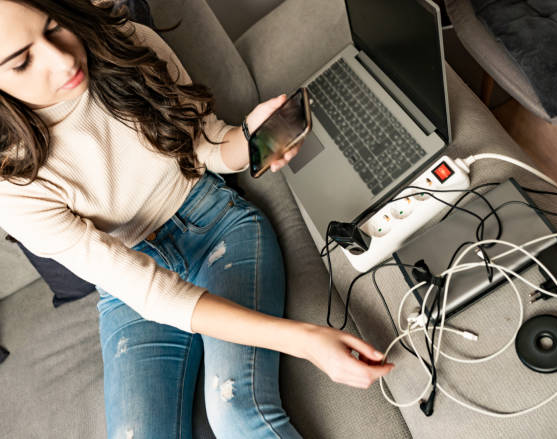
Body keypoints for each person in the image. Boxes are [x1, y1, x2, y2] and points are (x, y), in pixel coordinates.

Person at [0, 0, 394, 437]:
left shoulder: (129, 43)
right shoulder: (10, 184)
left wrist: (248, 141)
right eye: (21, 62)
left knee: (237, 412)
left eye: (54, 28)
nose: (62, 58)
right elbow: (147, 290)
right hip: (129, 282)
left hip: (217, 225)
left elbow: (204, 145)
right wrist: (304, 340)